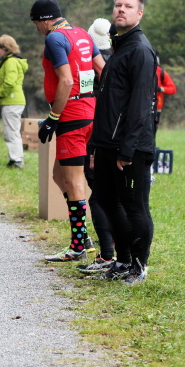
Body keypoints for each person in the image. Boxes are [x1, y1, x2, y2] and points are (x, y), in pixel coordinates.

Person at [90, 0, 157, 284]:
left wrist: (127, 150)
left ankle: (139, 268)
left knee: (135, 207)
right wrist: (96, 145)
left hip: (131, 147)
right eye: (118, 5)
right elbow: (108, 102)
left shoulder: (140, 50)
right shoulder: (120, 48)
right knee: (105, 199)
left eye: (128, 6)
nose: (121, 10)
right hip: (107, 143)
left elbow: (141, 106)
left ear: (139, 13)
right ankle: (123, 260)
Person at [30, 0, 105, 262]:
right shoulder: (82, 34)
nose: (37, 29)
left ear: (43, 20)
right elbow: (102, 69)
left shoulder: (54, 38)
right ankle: (83, 236)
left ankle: (78, 246)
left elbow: (66, 80)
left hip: (71, 117)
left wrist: (53, 117)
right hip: (89, 113)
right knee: (58, 175)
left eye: (36, 24)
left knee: (74, 181)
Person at [77, 18, 116, 274]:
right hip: (113, 133)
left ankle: (107, 253)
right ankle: (114, 247)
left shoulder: (91, 62)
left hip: (94, 131)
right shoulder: (117, 58)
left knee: (98, 195)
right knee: (109, 194)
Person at [0, 35, 28, 169]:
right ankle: (16, 158)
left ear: (6, 48)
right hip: (13, 100)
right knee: (13, 131)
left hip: (11, 101)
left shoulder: (10, 62)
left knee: (11, 132)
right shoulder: (12, 61)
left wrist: (0, 94)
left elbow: (9, 82)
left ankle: (16, 160)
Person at [153, 52, 176, 133]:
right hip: (141, 107)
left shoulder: (161, 72)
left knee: (152, 131)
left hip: (157, 107)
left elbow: (173, 89)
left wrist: (161, 89)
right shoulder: (140, 70)